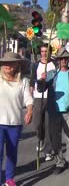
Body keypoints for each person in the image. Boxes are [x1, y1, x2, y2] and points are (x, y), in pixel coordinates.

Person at [38, 48, 69, 174]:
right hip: (54, 111)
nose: (63, 60)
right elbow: (41, 89)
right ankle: (59, 162)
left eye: (65, 58)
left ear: (68, 59)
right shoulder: (51, 74)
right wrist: (42, 80)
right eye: (61, 58)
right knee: (55, 138)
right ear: (58, 60)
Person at [0, 52, 33, 186]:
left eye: (11, 62)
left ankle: (9, 179)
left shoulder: (23, 81)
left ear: (17, 65)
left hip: (15, 123)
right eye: (5, 63)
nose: (7, 65)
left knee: (12, 153)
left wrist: (30, 110)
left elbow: (28, 98)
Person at [30, 44, 55, 162]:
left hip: (50, 97)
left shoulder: (54, 64)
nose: (44, 54)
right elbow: (32, 78)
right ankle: (40, 139)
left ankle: (48, 151)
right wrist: (31, 86)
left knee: (48, 125)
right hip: (38, 97)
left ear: (50, 52)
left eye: (46, 51)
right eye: (42, 51)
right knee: (38, 124)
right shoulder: (36, 64)